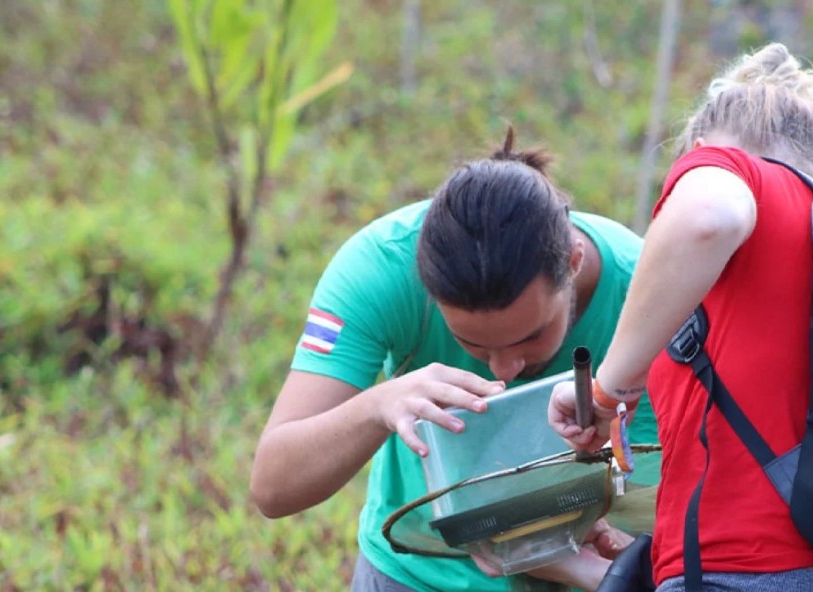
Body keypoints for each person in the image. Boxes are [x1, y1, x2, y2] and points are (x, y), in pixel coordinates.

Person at [250, 127, 658, 592]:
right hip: (413, 574)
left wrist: (582, 563)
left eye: (531, 337)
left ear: (573, 262)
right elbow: (273, 487)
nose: (504, 371)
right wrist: (380, 404)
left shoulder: (647, 298)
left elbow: (667, 502)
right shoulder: (380, 269)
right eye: (474, 345)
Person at [548, 43, 813, 591]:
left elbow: (708, 215)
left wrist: (608, 390)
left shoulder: (731, 172)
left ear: (699, 149)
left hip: (740, 569)